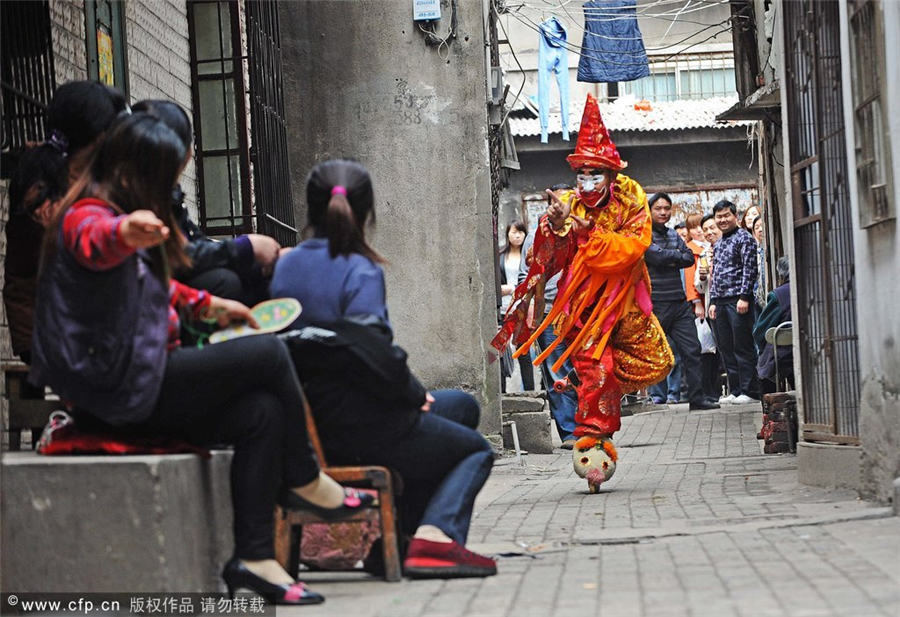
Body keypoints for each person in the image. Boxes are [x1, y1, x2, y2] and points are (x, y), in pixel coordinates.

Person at [29, 113, 372, 605]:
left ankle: (254, 558)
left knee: (262, 412)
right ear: (133, 173)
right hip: (117, 391)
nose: (169, 190)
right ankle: (304, 478)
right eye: (164, 178)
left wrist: (211, 306)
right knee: (269, 353)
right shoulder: (86, 216)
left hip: (136, 383)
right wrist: (125, 230)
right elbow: (96, 239)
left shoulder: (124, 216)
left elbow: (155, 291)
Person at [270, 158, 497, 579]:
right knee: (475, 450)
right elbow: (373, 356)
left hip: (310, 425)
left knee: (461, 407)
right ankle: (436, 539)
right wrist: (412, 395)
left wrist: (414, 395)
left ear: (312, 208)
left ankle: (397, 541)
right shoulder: (360, 269)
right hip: (360, 426)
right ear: (366, 212)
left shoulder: (284, 265)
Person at [493, 94, 673, 491]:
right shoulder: (570, 204)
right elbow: (550, 260)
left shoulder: (631, 198)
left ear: (610, 174)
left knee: (657, 362)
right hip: (582, 308)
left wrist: (590, 233)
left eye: (595, 176)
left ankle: (582, 384)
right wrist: (555, 228)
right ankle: (593, 443)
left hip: (623, 301)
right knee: (597, 366)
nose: (587, 185)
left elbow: (633, 247)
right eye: (582, 177)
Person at [3, 80, 127, 364]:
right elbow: (31, 273)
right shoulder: (43, 189)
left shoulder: (83, 175)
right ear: (96, 136)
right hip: (56, 337)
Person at [131, 100, 281, 306]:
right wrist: (244, 247)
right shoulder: (136, 199)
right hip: (155, 298)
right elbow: (177, 258)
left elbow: (195, 244)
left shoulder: (168, 193)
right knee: (223, 281)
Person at [644, 193, 719, 411]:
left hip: (678, 303)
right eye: (658, 208)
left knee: (692, 349)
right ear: (649, 210)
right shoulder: (643, 234)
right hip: (655, 303)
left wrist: (667, 256)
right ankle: (657, 398)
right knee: (656, 353)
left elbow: (687, 258)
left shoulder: (672, 234)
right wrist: (672, 256)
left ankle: (697, 398)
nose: (663, 212)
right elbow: (653, 256)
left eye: (667, 208)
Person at [518, 184, 579, 449]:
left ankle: (592, 426)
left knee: (586, 370)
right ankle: (569, 432)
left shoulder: (583, 233)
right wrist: (529, 310)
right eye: (557, 201)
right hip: (549, 312)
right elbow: (525, 277)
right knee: (557, 374)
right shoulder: (536, 237)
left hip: (581, 312)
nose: (563, 206)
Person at [708, 200, 761, 404]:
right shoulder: (719, 243)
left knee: (743, 347)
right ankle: (736, 390)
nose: (722, 220)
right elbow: (716, 274)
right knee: (726, 348)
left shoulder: (744, 238)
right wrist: (713, 301)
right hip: (720, 302)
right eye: (719, 216)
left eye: (726, 215)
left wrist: (745, 297)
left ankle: (750, 391)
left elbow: (750, 269)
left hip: (738, 301)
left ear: (735, 216)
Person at [498, 219, 534, 391]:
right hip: (503, 310)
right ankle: (501, 393)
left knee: (523, 352)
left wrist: (512, 288)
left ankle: (530, 392)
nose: (518, 236)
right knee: (500, 352)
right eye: (514, 232)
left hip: (522, 310)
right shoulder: (499, 256)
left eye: (521, 232)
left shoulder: (529, 256)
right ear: (507, 234)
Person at [695, 213, 724, 400]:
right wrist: (702, 277)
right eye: (705, 229)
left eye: (712, 227)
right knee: (713, 351)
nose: (709, 232)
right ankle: (713, 392)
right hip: (710, 306)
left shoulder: (727, 246)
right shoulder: (704, 253)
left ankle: (741, 389)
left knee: (731, 348)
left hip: (729, 303)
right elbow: (698, 286)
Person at [754, 256, 793, 394]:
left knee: (765, 368)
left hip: (785, 353)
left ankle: (768, 405)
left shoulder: (779, 294)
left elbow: (761, 332)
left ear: (781, 276)